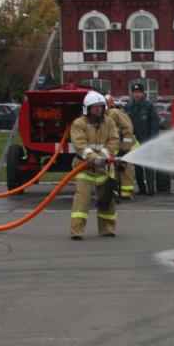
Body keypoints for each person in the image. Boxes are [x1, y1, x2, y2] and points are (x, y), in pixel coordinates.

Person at [68, 91, 120, 240]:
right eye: (94, 107)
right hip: (84, 167)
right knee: (82, 201)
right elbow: (80, 145)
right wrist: (93, 158)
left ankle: (107, 229)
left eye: (100, 107)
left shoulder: (109, 122)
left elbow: (114, 140)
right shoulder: (78, 124)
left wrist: (102, 156)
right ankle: (76, 231)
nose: (98, 110)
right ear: (87, 109)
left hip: (104, 167)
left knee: (108, 200)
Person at [125, 83, 160, 195]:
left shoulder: (149, 106)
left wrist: (152, 140)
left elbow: (154, 124)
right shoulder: (128, 107)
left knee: (149, 165)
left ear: (143, 93)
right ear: (132, 93)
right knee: (137, 166)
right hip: (134, 141)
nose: (137, 94)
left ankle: (151, 190)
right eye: (135, 92)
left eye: (139, 92)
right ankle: (142, 189)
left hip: (147, 140)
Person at [105, 95, 137, 200]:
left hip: (124, 147)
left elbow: (128, 132)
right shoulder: (104, 115)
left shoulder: (115, 113)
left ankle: (126, 192)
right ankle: (117, 191)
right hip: (114, 148)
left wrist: (124, 151)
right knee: (115, 170)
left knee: (125, 168)